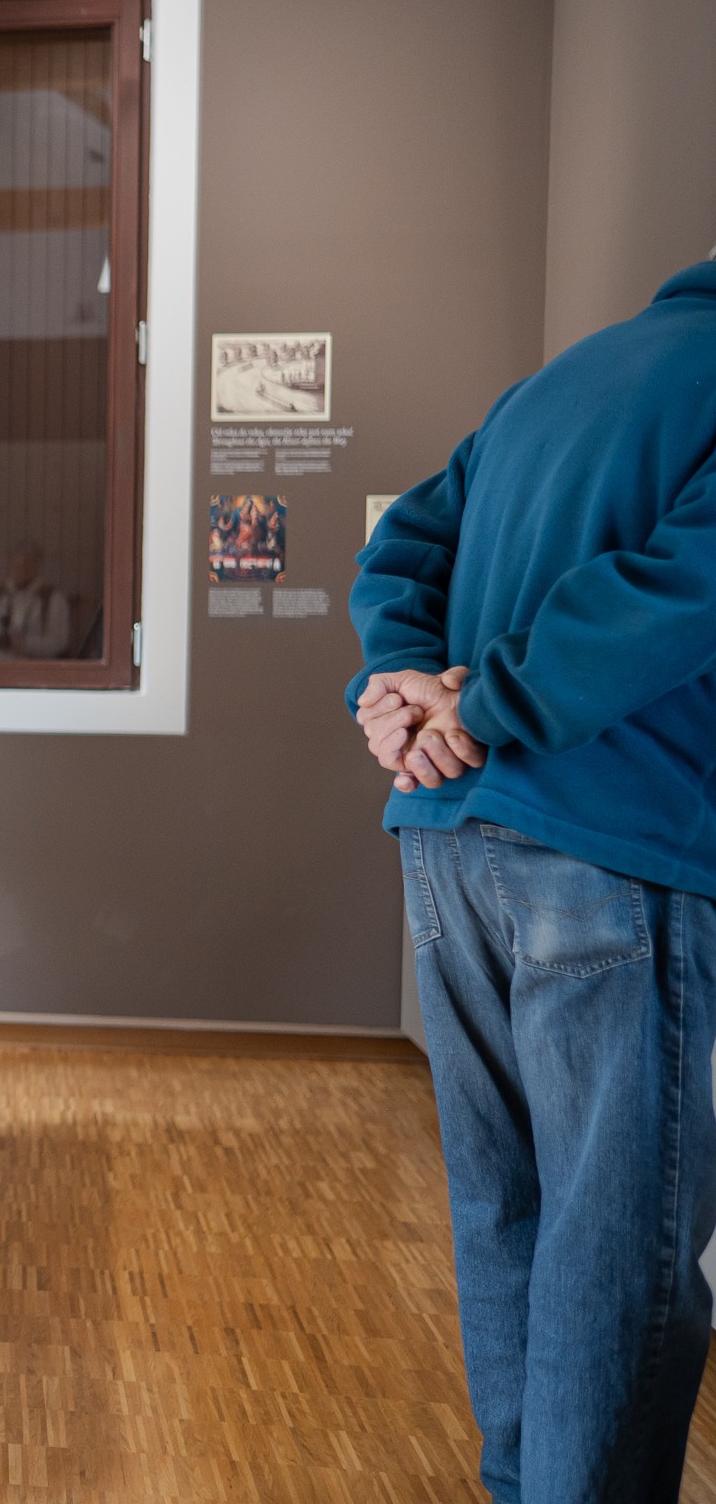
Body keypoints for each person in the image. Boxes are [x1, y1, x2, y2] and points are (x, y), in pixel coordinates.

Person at [347, 256, 716, 1503]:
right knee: (621, 1244)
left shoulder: (555, 383)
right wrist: (485, 702)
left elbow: (404, 540)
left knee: (505, 1209)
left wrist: (403, 687)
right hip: (611, 840)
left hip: (445, 844)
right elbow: (683, 589)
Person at [0, 540, 71, 659]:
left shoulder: (53, 599)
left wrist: (25, 644)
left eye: (27, 563)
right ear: (10, 563)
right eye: (17, 563)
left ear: (38, 564)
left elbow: (59, 642)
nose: (22, 568)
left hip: (33, 667)